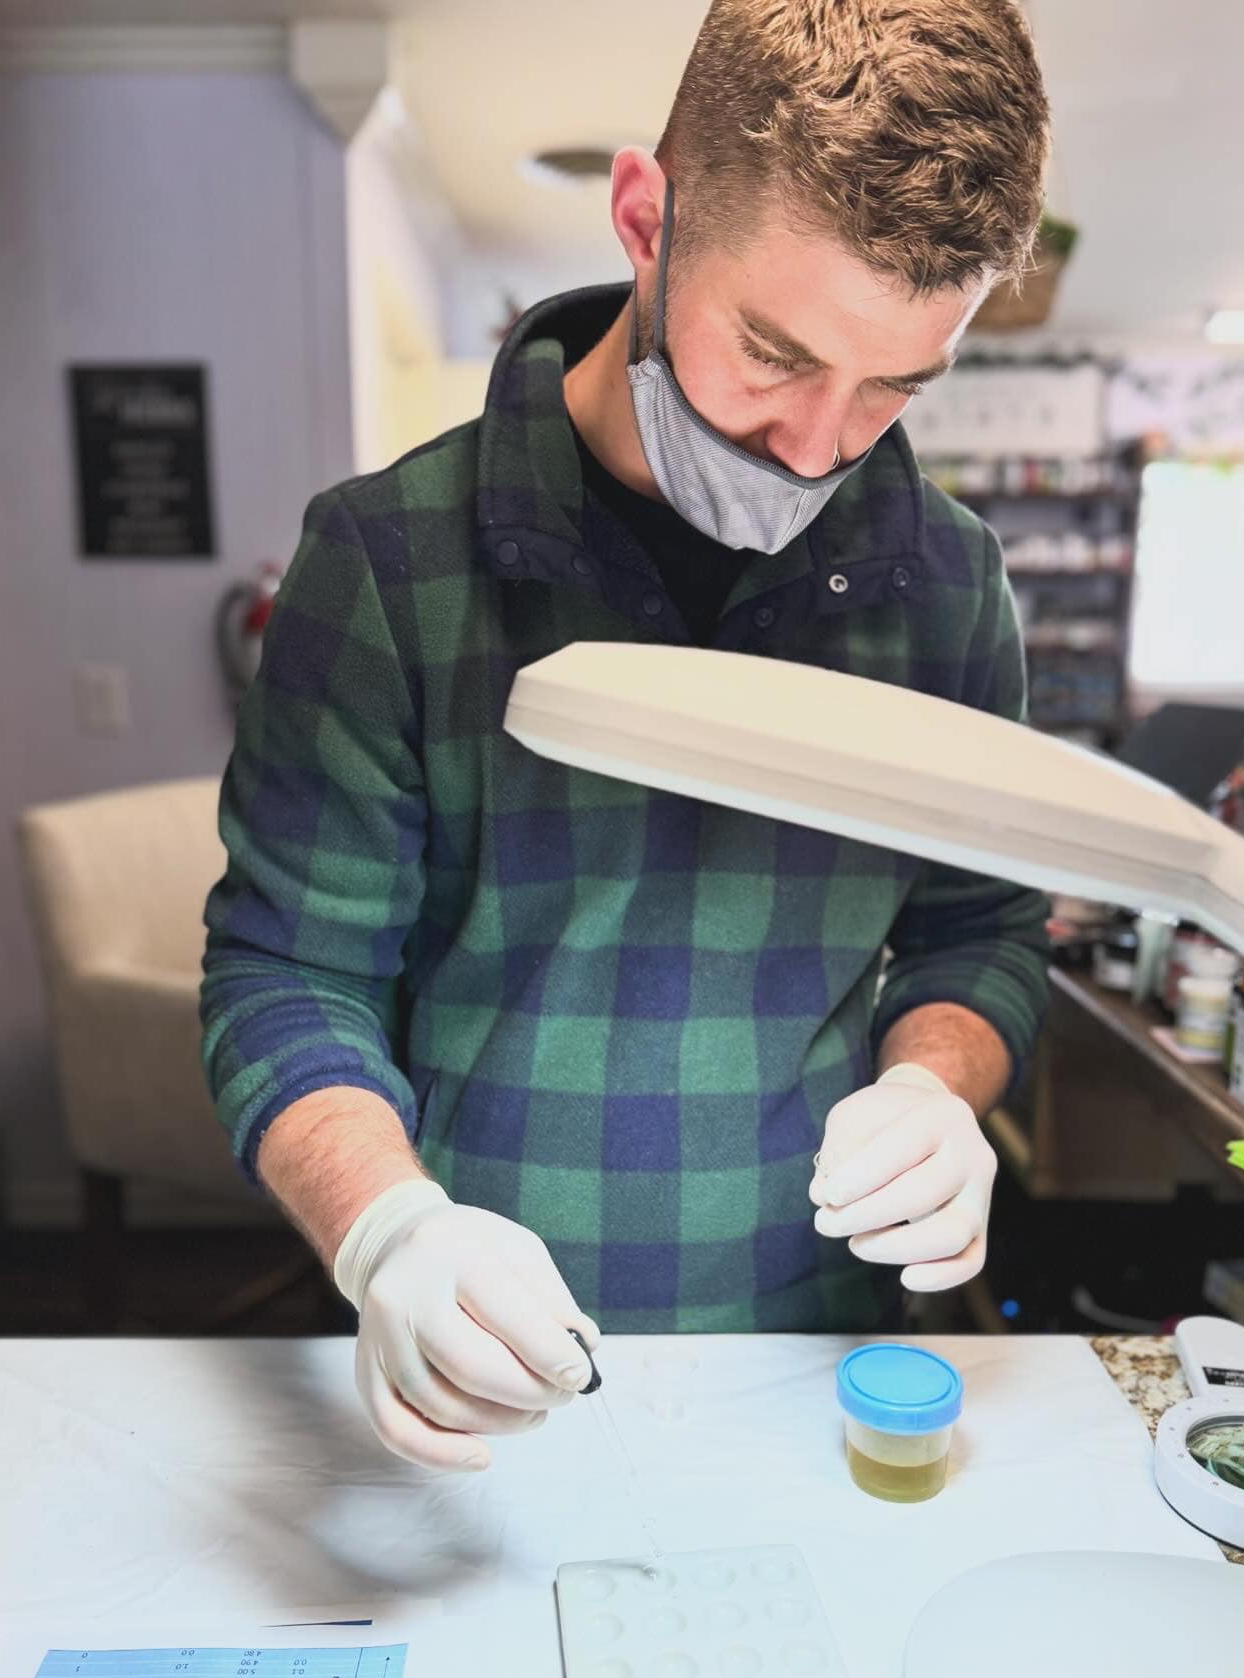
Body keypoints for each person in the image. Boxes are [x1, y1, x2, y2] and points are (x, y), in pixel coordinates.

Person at [201, 0, 1052, 1474]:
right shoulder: (391, 564)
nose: (819, 451)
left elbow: (985, 932)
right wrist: (389, 1231)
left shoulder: (949, 583)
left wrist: (937, 1080)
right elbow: (286, 973)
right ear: (646, 215)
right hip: (484, 1347)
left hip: (817, 1356)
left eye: (895, 386)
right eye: (775, 354)